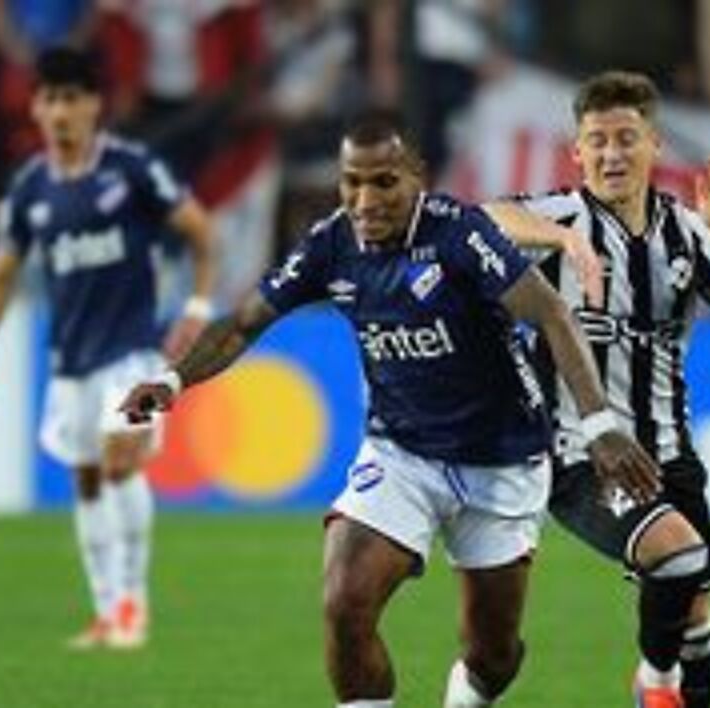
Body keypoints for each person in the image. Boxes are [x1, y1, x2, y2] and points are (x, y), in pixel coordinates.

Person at [119, 110, 659, 708]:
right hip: (402, 456)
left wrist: (600, 425)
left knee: (493, 656)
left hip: (502, 462)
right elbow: (244, 323)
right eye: (351, 181)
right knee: (344, 603)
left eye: (383, 182)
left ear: (416, 177)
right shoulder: (332, 243)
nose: (365, 200)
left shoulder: (460, 233)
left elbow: (552, 313)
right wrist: (172, 379)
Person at [483, 71, 710, 708]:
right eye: (598, 141)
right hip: (583, 453)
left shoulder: (687, 231)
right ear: (577, 151)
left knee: (695, 613)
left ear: (654, 145)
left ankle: (671, 685)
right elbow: (480, 220)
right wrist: (562, 240)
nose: (611, 154)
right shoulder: (560, 216)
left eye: (625, 138)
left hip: (670, 450)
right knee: (678, 557)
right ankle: (654, 683)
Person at [0, 47, 217, 650]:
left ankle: (132, 606)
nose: (59, 112)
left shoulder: (132, 169)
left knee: (121, 458)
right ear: (35, 107)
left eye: (71, 98)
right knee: (87, 479)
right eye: (49, 99)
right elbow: (2, 276)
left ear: (94, 104)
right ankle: (105, 610)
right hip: (70, 360)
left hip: (136, 352)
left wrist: (198, 309)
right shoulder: (30, 189)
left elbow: (200, 233)